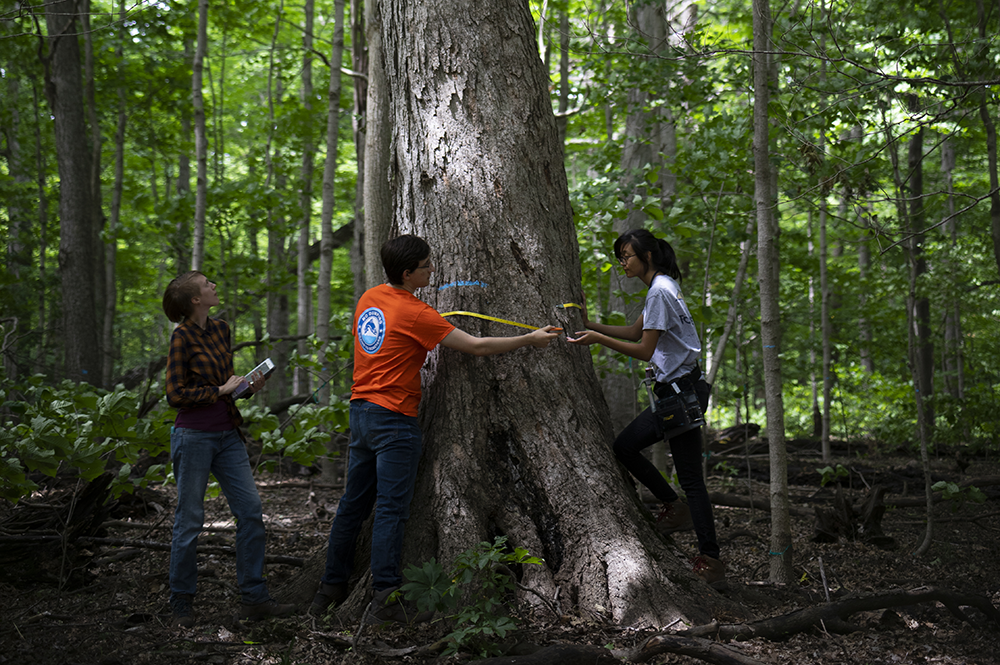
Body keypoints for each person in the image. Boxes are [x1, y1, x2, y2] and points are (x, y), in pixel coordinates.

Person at [310, 235, 560, 622]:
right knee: (391, 511)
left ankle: (330, 588)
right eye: (426, 266)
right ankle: (384, 598)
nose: (433, 270)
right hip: (393, 420)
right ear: (407, 273)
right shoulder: (416, 313)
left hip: (361, 414)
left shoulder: (370, 298)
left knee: (351, 507)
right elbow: (476, 347)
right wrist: (529, 338)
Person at [567, 229, 725, 587]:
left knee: (635, 451)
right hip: (683, 389)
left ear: (647, 257)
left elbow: (642, 349)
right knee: (684, 474)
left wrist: (595, 339)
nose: (623, 263)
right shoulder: (664, 287)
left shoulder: (659, 292)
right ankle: (687, 523)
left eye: (627, 256)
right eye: (621, 256)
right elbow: (636, 331)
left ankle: (708, 555)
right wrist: (589, 323)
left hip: (680, 393)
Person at [163, 271, 295, 627]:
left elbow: (229, 386)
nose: (214, 287)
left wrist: (248, 387)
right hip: (193, 437)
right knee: (190, 520)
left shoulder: (221, 329)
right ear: (194, 299)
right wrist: (220, 390)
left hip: (227, 435)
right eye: (207, 285)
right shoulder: (181, 338)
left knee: (251, 512)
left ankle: (254, 598)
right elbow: (175, 395)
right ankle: (181, 602)